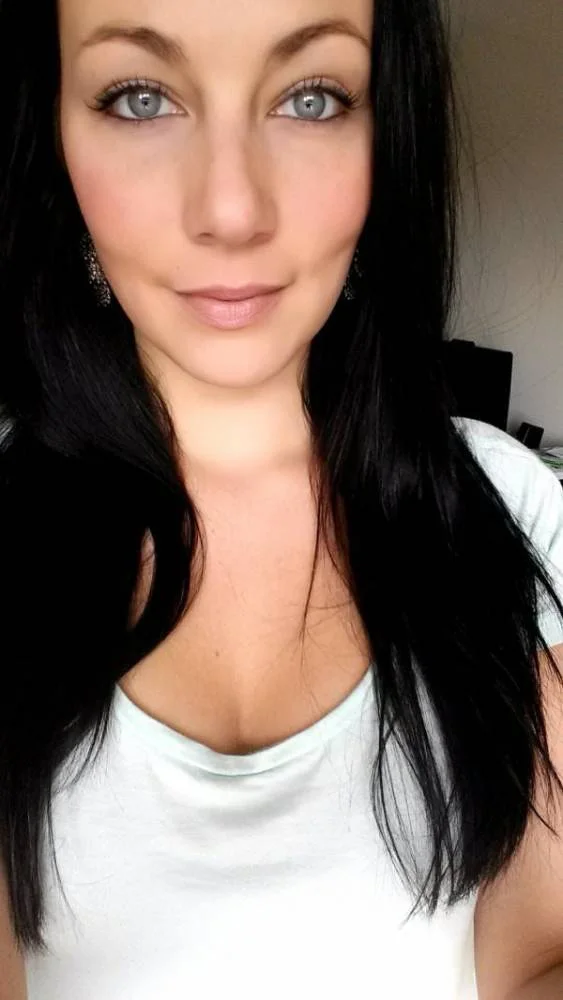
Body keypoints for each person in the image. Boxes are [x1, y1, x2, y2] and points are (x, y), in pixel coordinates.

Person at [1, 0, 563, 997]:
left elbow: (530, 962)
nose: (231, 210)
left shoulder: (509, 511)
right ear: (55, 140)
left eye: (311, 97)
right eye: (139, 97)